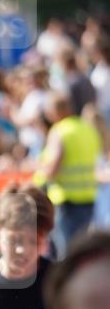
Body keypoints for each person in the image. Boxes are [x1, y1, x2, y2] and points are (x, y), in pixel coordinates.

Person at [34, 92, 101, 256]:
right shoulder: (88, 129)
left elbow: (53, 166)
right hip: (88, 197)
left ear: (56, 111)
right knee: (81, 250)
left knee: (65, 253)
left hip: (66, 200)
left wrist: (38, 182)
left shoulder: (60, 131)